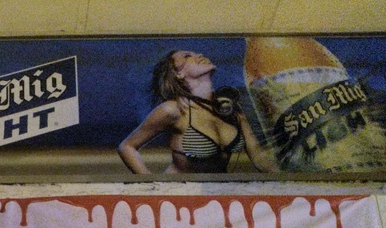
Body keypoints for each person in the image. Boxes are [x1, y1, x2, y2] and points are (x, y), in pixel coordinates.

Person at [118, 50, 277, 174]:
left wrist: (287, 181)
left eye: (197, 53)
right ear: (178, 74)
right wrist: (152, 187)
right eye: (187, 56)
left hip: (217, 197)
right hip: (180, 197)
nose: (199, 55)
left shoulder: (232, 111)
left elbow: (259, 158)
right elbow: (127, 147)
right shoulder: (175, 109)